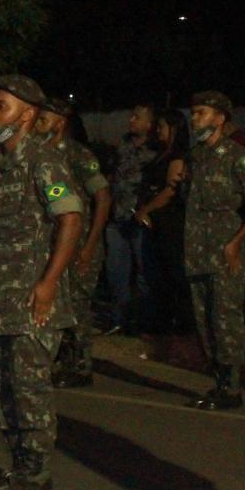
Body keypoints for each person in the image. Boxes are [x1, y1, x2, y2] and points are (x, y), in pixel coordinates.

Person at [0, 75, 83, 490]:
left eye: (2, 106)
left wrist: (49, 283)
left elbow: (70, 219)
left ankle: (36, 474)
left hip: (32, 298)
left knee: (30, 389)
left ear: (28, 114)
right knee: (1, 388)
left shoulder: (44, 161)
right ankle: (18, 466)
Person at [183, 91, 245, 409]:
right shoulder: (196, 156)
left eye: (203, 113)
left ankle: (231, 387)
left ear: (220, 119)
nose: (196, 119)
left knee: (225, 316)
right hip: (197, 250)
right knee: (204, 318)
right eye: (194, 113)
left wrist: (237, 240)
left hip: (225, 251)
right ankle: (218, 380)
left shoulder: (238, 155)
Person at [37, 97, 110, 386]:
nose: (38, 125)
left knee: (78, 307)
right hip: (54, 244)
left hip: (79, 244)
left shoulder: (78, 155)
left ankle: (81, 367)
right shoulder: (41, 156)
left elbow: (103, 199)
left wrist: (91, 244)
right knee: (57, 305)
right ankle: (60, 360)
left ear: (60, 123)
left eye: (44, 120)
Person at [104, 105, 159, 334]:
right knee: (116, 270)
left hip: (140, 217)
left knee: (145, 272)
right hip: (118, 215)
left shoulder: (157, 149)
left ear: (149, 123)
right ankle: (120, 320)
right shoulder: (124, 143)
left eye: (137, 118)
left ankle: (145, 322)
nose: (131, 121)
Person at [134, 110, 189, 333]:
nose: (158, 131)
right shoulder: (161, 153)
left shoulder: (177, 157)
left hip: (170, 221)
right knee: (157, 273)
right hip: (157, 221)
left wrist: (146, 209)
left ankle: (179, 324)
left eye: (162, 127)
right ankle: (163, 321)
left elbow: (170, 190)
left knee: (173, 271)